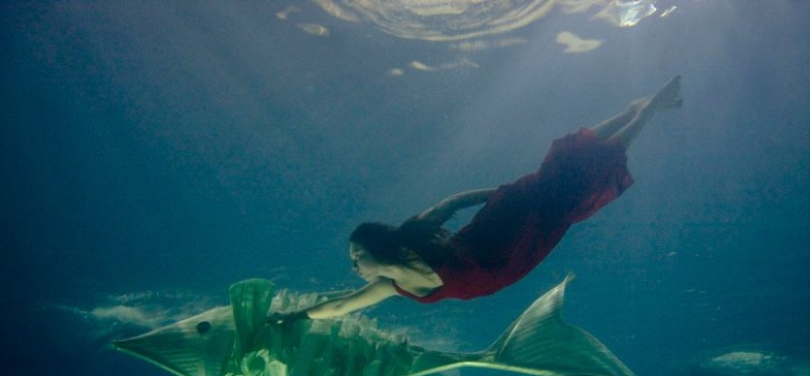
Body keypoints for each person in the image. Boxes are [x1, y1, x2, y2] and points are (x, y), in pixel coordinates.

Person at [270, 76, 682, 324]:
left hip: (509, 225)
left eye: (357, 256)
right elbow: (340, 307)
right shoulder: (392, 285)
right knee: (563, 172)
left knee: (578, 178)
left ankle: (647, 108)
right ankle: (635, 108)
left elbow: (451, 202)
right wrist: (293, 317)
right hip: (515, 250)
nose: (354, 265)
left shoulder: (414, 238)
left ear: (376, 249)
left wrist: (502, 196)